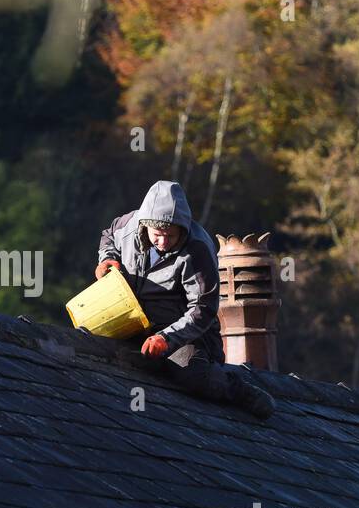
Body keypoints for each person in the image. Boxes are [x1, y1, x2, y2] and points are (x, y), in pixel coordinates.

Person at [96, 180, 276, 420]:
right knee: (95, 347)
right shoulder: (127, 224)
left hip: (186, 334)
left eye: (170, 235)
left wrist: (166, 338)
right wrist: (107, 259)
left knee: (192, 374)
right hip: (131, 320)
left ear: (182, 228)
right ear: (145, 225)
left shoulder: (198, 250)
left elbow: (203, 309)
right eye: (157, 235)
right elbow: (108, 236)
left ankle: (237, 389)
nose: (163, 242)